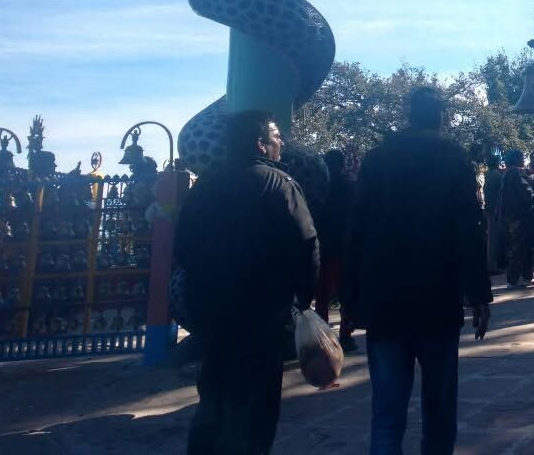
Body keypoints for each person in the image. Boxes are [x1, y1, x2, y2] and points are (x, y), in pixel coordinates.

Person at [343, 87, 493, 455]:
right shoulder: (453, 159)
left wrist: (349, 299)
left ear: (409, 115)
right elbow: (469, 231)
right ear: (441, 116)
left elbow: (355, 231)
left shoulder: (376, 160)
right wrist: (478, 294)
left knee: (387, 412)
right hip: (436, 301)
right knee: (439, 408)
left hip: (384, 303)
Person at [175, 109, 320, 455]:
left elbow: (182, 248)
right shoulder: (280, 185)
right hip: (262, 314)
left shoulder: (204, 187)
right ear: (260, 143)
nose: (281, 143)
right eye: (276, 137)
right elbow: (306, 246)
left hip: (211, 311)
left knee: (214, 392)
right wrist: (303, 300)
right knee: (254, 403)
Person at [314, 147, 357, 352]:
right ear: (342, 164)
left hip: (322, 246)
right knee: (345, 293)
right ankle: (346, 335)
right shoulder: (351, 187)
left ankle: (323, 336)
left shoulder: (319, 186)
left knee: (322, 295)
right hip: (344, 247)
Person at [499, 149, 534, 289]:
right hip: (521, 215)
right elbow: (526, 191)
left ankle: (525, 277)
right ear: (516, 159)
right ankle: (513, 279)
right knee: (522, 247)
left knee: (522, 246)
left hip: (512, 216)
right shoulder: (516, 173)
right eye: (522, 157)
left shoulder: (507, 174)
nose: (524, 160)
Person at [482, 152, 506, 276]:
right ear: (496, 163)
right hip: (495, 210)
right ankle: (492, 266)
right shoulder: (497, 176)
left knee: (493, 238)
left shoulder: (487, 175)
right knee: (494, 239)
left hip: (489, 209)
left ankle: (494, 263)